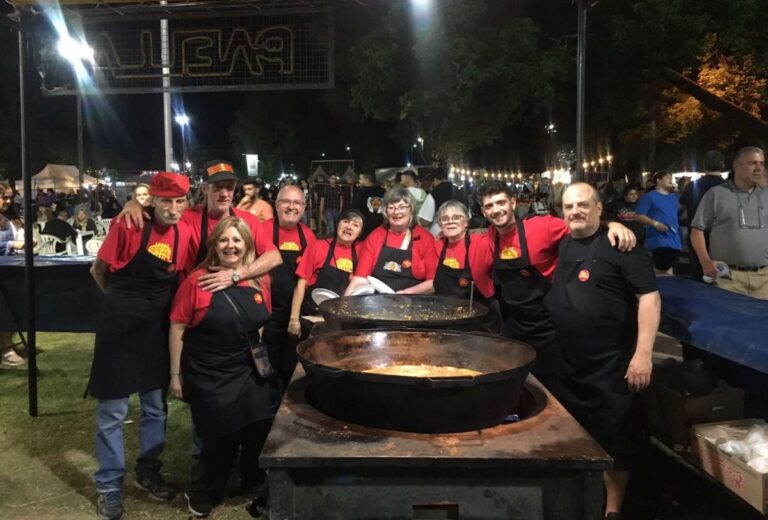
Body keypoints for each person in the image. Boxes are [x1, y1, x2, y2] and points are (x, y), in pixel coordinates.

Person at [544, 183, 660, 520]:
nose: (575, 211)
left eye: (583, 205)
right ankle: (583, 496)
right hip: (571, 361)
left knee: (617, 437)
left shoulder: (623, 245)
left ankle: (613, 508)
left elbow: (649, 298)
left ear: (598, 209)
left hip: (612, 363)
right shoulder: (566, 240)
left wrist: (643, 354)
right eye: (568, 206)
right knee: (580, 434)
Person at [86, 172, 192, 520]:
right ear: (154, 200)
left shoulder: (185, 230)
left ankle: (149, 471)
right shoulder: (128, 224)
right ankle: (109, 486)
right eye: (166, 202)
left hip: (156, 329)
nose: (173, 209)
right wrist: (121, 305)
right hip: (120, 326)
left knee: (155, 408)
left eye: (179, 202)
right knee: (112, 413)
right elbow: (98, 271)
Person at [476, 180, 635, 391]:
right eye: (489, 206)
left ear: (513, 203)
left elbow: (580, 224)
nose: (496, 210)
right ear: (483, 212)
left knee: (552, 387)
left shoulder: (542, 226)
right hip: (514, 327)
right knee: (517, 384)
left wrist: (612, 224)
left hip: (549, 326)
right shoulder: (489, 236)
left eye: (500, 202)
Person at [169, 217, 273, 518]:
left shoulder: (257, 279)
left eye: (237, 240)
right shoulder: (196, 281)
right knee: (220, 437)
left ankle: (252, 481)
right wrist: (175, 375)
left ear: (246, 246)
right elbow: (177, 327)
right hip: (209, 371)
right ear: (214, 244)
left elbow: (259, 322)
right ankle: (204, 492)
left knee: (257, 426)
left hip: (248, 368)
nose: (231, 246)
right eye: (224, 240)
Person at [691, 146, 768, 298]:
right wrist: (706, 263)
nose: (759, 168)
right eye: (753, 163)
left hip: (764, 280)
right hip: (729, 279)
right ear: (737, 165)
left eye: (762, 163)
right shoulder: (717, 194)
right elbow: (697, 231)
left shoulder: (766, 195)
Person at [260, 184, 316, 390]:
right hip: (267, 311)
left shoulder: (308, 236)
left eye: (297, 203)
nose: (292, 207)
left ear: (303, 207)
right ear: (276, 204)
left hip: (295, 311)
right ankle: (269, 405)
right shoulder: (262, 230)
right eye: (286, 201)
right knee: (267, 361)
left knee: (290, 362)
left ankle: (287, 401)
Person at [345, 187, 437, 295]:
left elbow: (433, 282)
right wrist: (345, 302)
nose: (396, 212)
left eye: (402, 207)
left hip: (413, 300)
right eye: (391, 207)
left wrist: (407, 292)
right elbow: (360, 278)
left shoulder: (424, 238)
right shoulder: (376, 236)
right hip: (378, 300)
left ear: (411, 210)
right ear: (386, 212)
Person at [288, 210, 364, 337]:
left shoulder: (362, 250)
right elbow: (301, 283)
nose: (349, 227)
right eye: (345, 221)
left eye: (356, 225)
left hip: (343, 323)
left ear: (360, 232)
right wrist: (294, 319)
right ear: (337, 224)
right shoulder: (317, 246)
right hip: (313, 318)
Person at [427, 200, 494, 302]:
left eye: (456, 217)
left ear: (466, 222)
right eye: (445, 219)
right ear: (440, 225)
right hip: (444, 306)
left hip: (479, 307)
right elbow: (432, 281)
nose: (450, 221)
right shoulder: (437, 245)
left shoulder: (481, 243)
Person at [679, 150, 726, 281]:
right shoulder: (728, 187)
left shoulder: (692, 186)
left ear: (704, 165)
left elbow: (681, 207)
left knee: (699, 276)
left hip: (695, 237)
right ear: (722, 165)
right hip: (721, 238)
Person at [633, 170, 682, 275]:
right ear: (658, 180)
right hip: (658, 239)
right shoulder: (649, 197)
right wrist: (655, 224)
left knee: (671, 271)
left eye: (671, 177)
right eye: (667, 177)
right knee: (661, 269)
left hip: (674, 239)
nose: (670, 179)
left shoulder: (674, 198)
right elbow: (638, 215)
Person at [0, 182, 26, 366]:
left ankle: (7, 347)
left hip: (11, 271)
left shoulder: (11, 219)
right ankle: (6, 349)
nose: (8, 201)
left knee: (12, 310)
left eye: (10, 197)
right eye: (4, 197)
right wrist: (10, 245)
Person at [418, 167, 467, 236]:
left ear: (435, 180)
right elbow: (468, 217)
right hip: (460, 234)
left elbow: (425, 221)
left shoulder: (434, 194)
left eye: (432, 182)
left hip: (439, 236)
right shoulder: (461, 192)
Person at [349, 172, 385, 240]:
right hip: (379, 224)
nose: (359, 181)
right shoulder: (383, 191)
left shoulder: (361, 192)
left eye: (360, 179)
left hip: (364, 225)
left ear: (367, 180)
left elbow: (354, 209)